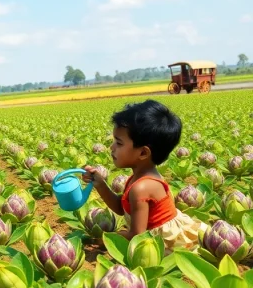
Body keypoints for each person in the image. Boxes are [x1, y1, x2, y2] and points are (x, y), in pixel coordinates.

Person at [82, 99, 205, 253]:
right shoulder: (138, 179)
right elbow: (122, 208)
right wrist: (100, 184)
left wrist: (107, 239)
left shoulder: (141, 187)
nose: (111, 147)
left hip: (168, 244)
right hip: (152, 237)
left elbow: (137, 235)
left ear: (143, 153)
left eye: (119, 143)